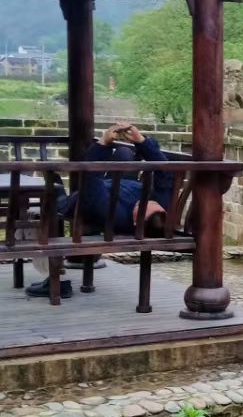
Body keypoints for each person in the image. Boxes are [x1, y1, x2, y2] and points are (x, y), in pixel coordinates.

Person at [24, 123, 175, 299]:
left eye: (140, 207)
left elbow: (90, 175)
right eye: (150, 203)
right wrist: (141, 141)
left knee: (56, 195)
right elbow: (165, 172)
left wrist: (103, 142)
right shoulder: (159, 204)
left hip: (83, 201)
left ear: (135, 221)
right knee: (124, 153)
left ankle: (55, 184)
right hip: (116, 186)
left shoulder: (114, 215)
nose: (143, 202)